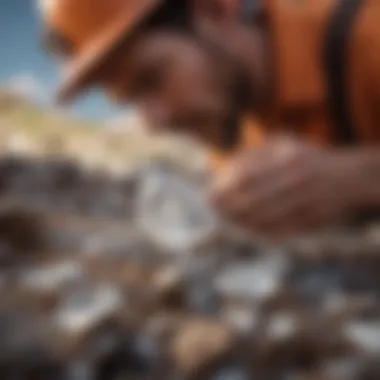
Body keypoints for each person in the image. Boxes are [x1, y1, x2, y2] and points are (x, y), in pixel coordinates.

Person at [39, 0, 380, 239]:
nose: (153, 123)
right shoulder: (233, 130)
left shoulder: (369, 35)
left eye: (152, 79)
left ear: (215, 7)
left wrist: (359, 179)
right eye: (130, 101)